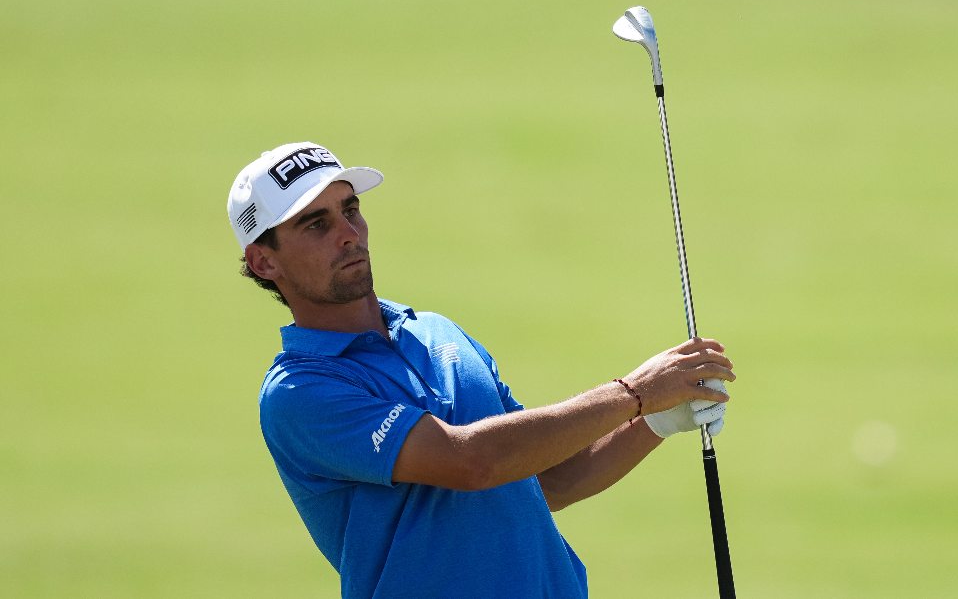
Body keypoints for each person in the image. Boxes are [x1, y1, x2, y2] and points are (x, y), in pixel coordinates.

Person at [227, 142, 735, 598]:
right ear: (264, 262)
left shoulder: (436, 331)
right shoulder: (300, 392)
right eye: (316, 225)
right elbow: (472, 463)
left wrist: (656, 421)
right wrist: (635, 394)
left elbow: (546, 481)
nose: (348, 234)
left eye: (350, 210)